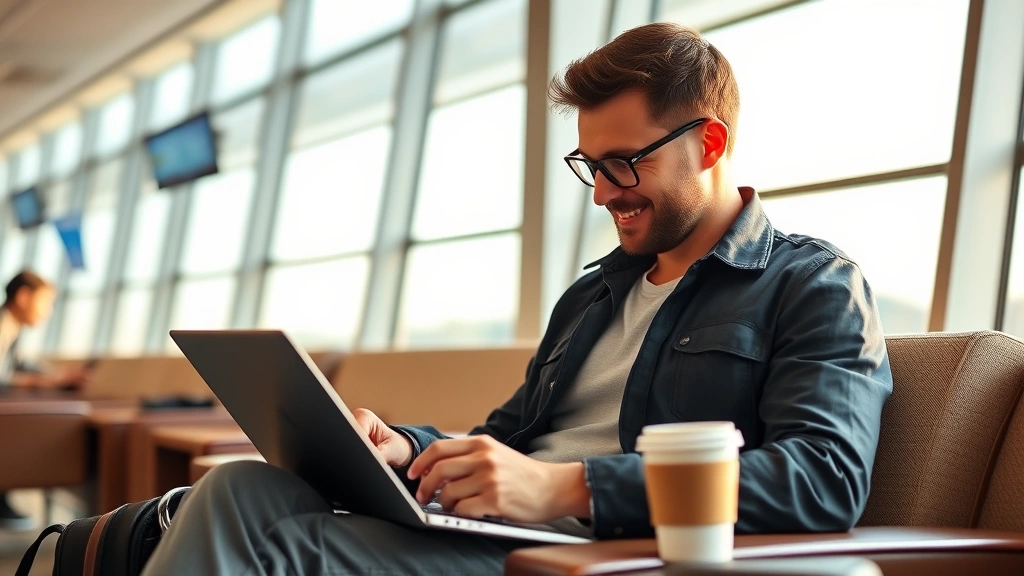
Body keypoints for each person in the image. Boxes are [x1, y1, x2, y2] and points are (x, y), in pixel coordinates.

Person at [143, 22, 893, 575]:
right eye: (591, 166)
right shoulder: (594, 295)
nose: (603, 193)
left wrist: (566, 487)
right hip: (507, 531)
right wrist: (408, 448)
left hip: (603, 552)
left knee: (297, 553)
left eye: (625, 164)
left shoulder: (811, 284)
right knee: (240, 487)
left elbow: (822, 478)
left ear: (712, 144)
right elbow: (505, 440)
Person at [0, 270, 92, 530]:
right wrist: (48, 381)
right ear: (23, 296)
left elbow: (22, 364)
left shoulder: (11, 327)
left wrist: (58, 376)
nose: (48, 312)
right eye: (45, 303)